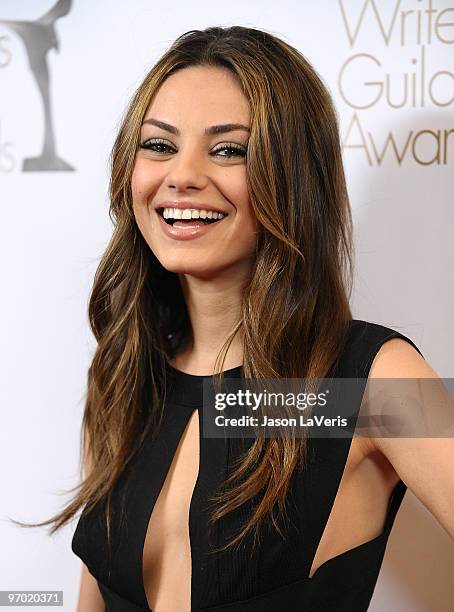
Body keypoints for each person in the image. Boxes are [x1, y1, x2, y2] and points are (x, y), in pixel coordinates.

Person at [21, 25, 452, 611]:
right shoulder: (125, 375)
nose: (183, 175)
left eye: (229, 149)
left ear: (293, 176)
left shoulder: (374, 380)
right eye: (159, 145)